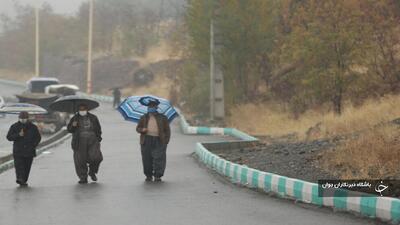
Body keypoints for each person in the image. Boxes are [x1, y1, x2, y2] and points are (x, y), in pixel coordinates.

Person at [67, 104, 103, 184]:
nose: (82, 111)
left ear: (87, 109)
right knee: (80, 160)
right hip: (79, 142)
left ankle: (92, 171)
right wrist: (73, 126)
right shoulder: (74, 118)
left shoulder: (93, 117)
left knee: (97, 158)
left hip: (93, 141)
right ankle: (83, 177)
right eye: (80, 109)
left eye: (83, 109)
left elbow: (98, 129)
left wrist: (98, 138)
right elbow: (70, 130)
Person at [136, 101, 171, 182]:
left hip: (159, 140)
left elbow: (167, 130)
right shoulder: (144, 117)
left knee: (159, 158)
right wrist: (142, 129)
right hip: (146, 140)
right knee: (146, 158)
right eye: (149, 107)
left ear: (156, 108)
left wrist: (166, 141)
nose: (150, 108)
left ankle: (158, 175)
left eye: (152, 107)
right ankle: (148, 175)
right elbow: (138, 128)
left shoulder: (163, 117)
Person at [6, 112, 41, 187]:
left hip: (29, 151)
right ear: (19, 118)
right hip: (18, 151)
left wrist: (33, 145)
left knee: (27, 167)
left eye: (24, 119)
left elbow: (38, 137)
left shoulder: (33, 127)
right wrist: (18, 135)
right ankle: (20, 179)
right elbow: (9, 137)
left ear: (27, 118)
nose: (23, 120)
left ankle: (24, 180)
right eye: (21, 118)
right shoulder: (14, 126)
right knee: (19, 166)